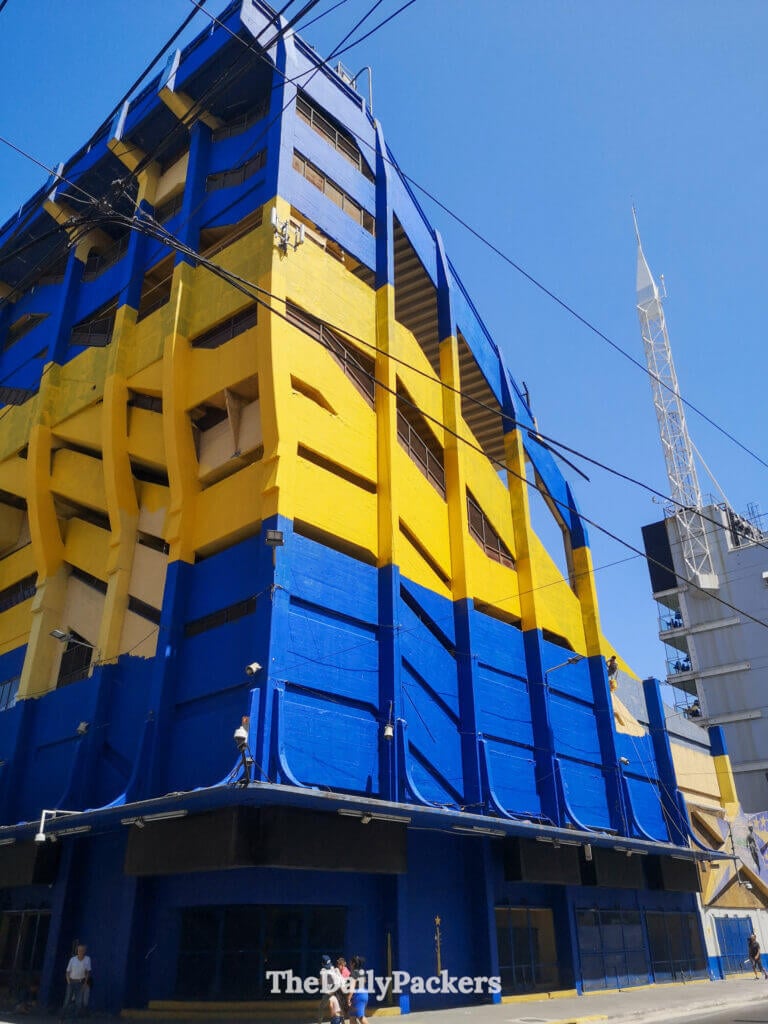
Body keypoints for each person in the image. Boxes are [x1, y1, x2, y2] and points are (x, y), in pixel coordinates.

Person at [63, 944, 92, 1017]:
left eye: (82, 950)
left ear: (84, 951)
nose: (80, 951)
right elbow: (68, 971)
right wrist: (68, 982)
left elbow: (87, 972)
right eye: (79, 950)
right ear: (77, 951)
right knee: (67, 1000)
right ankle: (62, 1017)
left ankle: (74, 1019)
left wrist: (85, 983)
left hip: (80, 982)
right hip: (72, 982)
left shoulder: (87, 959)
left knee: (78, 1002)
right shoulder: (73, 959)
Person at [347, 954, 369, 1024]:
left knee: (361, 1017)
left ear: (353, 964)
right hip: (364, 993)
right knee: (352, 1017)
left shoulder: (354, 973)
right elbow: (365, 981)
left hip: (358, 996)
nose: (349, 964)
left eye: (350, 963)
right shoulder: (362, 972)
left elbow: (352, 988)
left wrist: (348, 999)